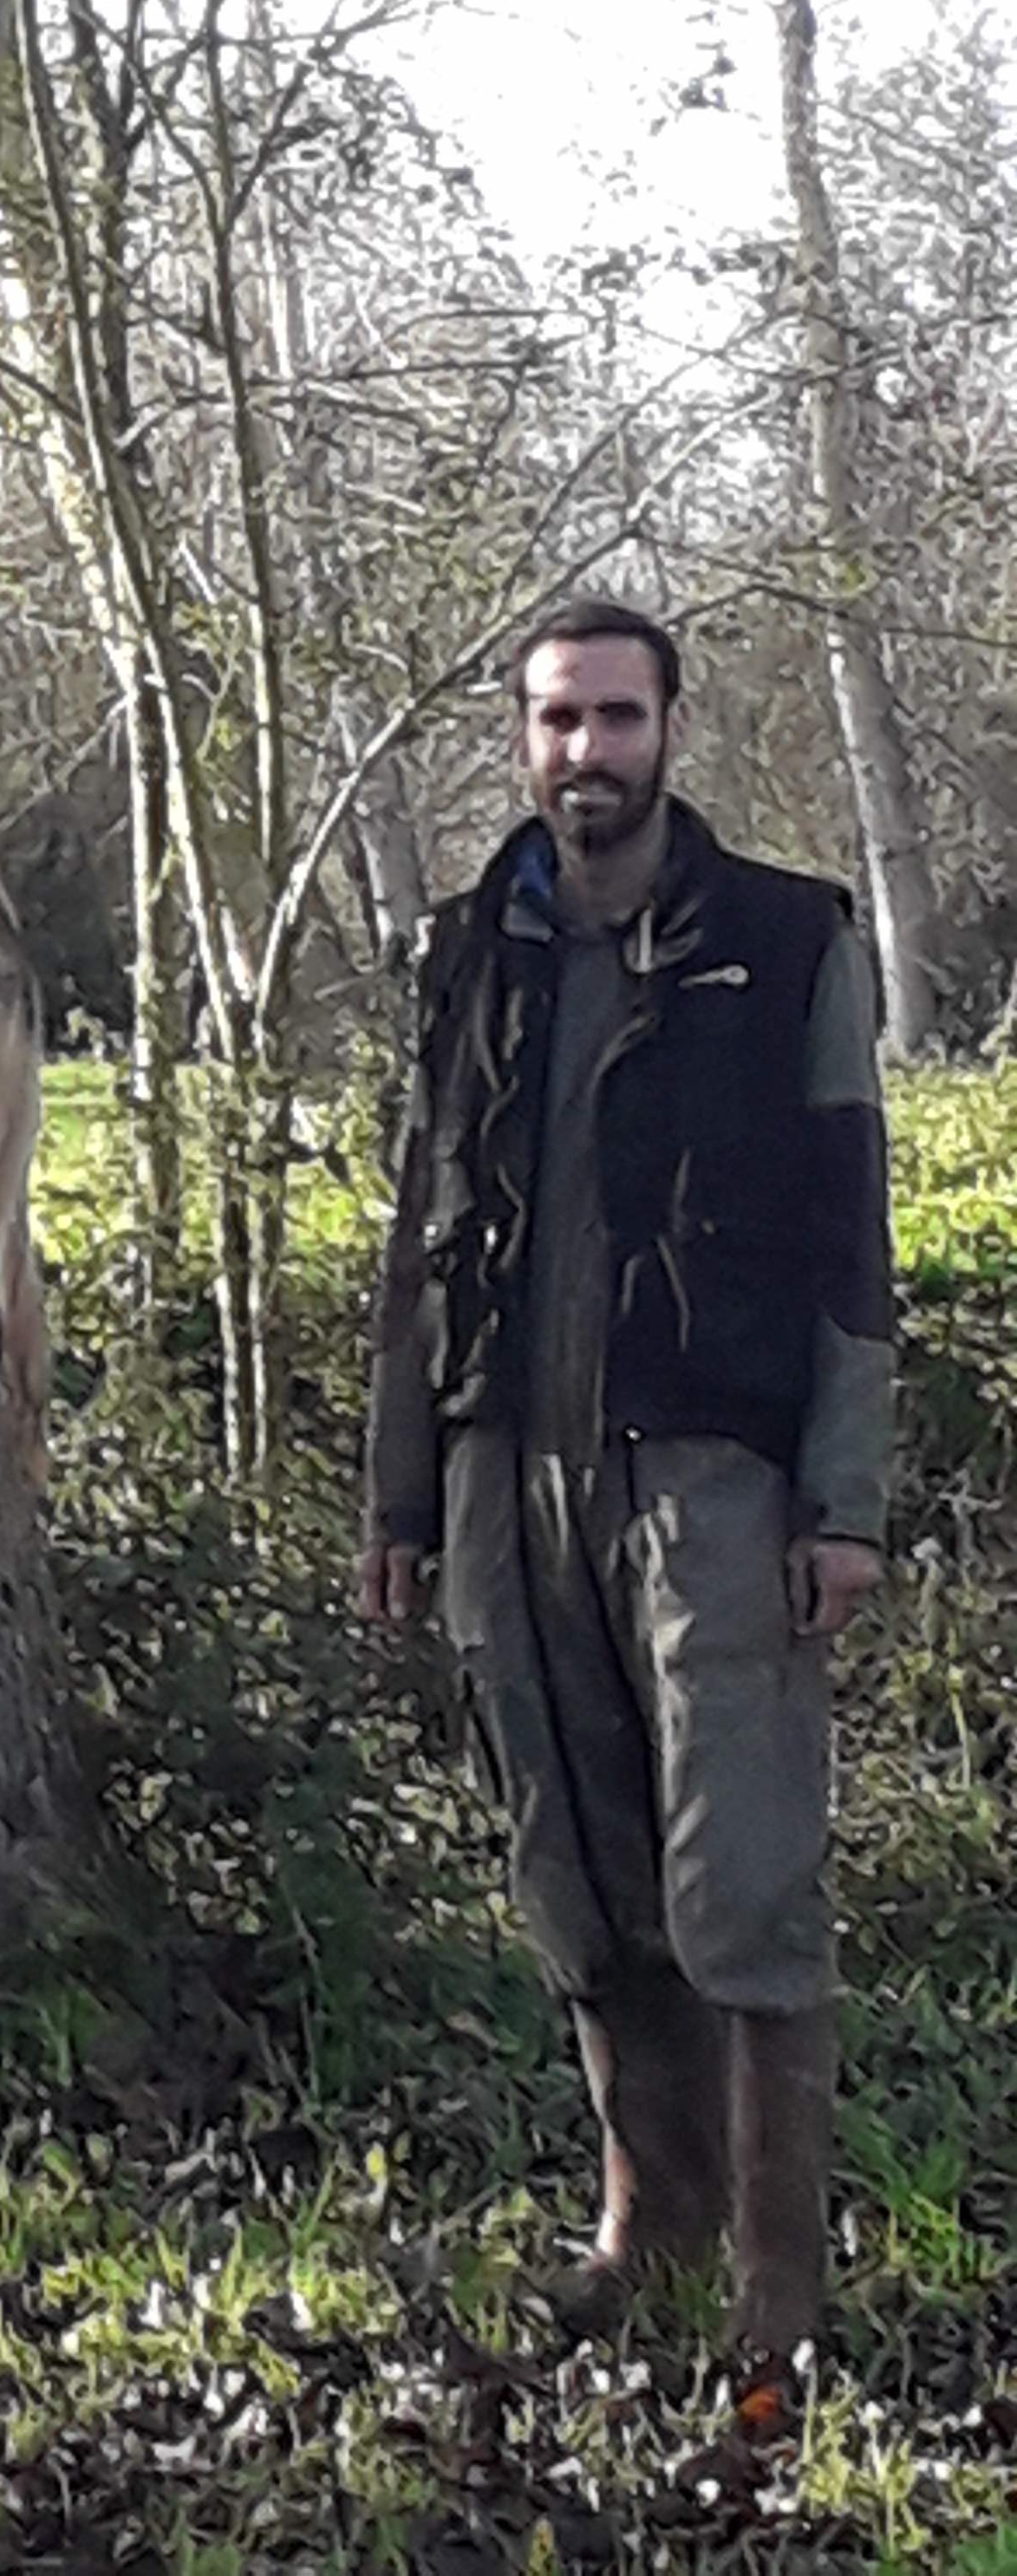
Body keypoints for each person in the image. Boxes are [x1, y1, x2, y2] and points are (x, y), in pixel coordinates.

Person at [357, 596, 893, 2378]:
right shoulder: (469, 947)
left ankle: (776, 2285)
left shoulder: (782, 939)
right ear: (521, 739)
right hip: (513, 1472)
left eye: (614, 718)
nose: (584, 753)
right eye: (555, 722)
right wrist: (402, 1500)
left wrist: (847, 1500)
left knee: (737, 1876)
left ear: (673, 730)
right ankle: (638, 2231)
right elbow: (422, 1249)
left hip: (710, 1475)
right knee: (572, 1865)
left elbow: (848, 1240)